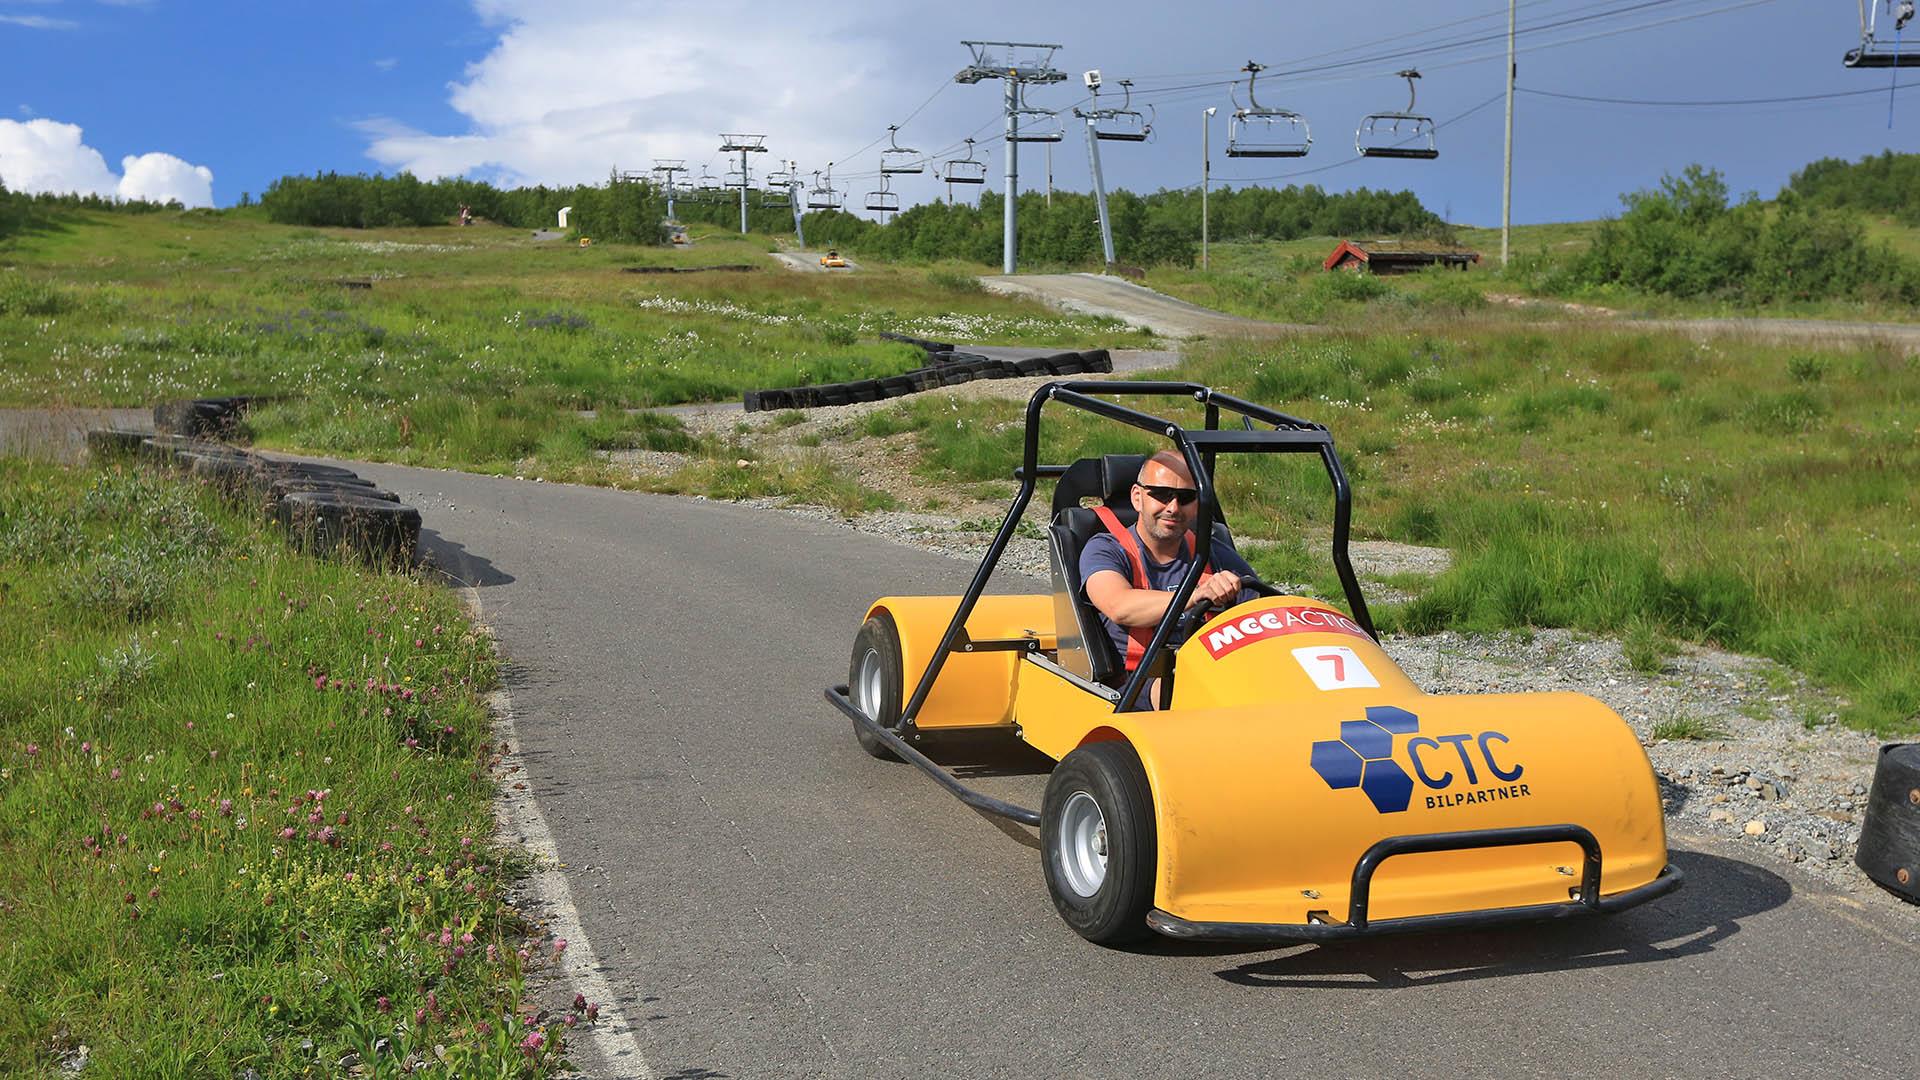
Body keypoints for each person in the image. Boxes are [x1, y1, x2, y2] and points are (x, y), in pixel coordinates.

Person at [1079, 450, 1259, 705]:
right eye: (1162, 495)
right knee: (1195, 691)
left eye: (1185, 498)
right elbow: (1119, 606)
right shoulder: (1106, 549)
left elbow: (1261, 605)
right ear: (1138, 497)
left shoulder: (1210, 550)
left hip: (1211, 668)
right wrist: (1195, 595)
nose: (1173, 508)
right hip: (1139, 678)